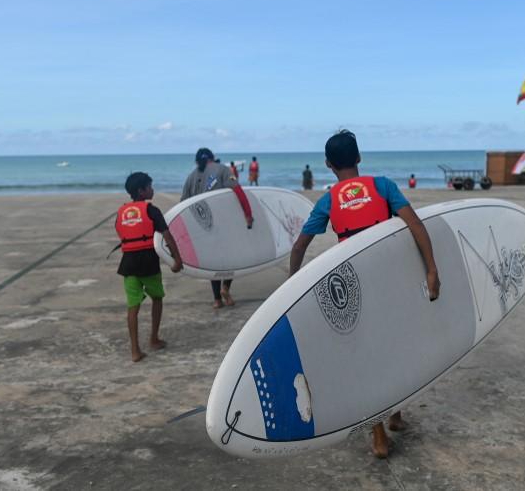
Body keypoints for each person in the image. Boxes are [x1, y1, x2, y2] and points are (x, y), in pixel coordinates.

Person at [289, 129, 440, 459]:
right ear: (359, 157)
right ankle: (396, 414)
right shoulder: (383, 186)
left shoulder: (329, 200)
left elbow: (300, 245)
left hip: (354, 287)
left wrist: (291, 287)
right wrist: (431, 270)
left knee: (368, 357)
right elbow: (416, 225)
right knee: (396, 348)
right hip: (388, 280)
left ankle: (379, 437)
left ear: (329, 165)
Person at [115, 172, 183, 363]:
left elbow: (120, 231)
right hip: (148, 263)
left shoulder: (122, 211)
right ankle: (153, 339)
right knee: (157, 298)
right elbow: (168, 237)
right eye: (150, 186)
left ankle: (135, 350)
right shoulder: (151, 210)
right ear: (141, 190)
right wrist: (177, 260)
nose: (152, 189)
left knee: (132, 307)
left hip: (128, 263)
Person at [182, 148, 254, 309]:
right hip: (225, 224)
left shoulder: (190, 177)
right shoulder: (222, 169)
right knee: (231, 257)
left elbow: (183, 206)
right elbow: (238, 192)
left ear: (196, 161)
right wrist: (248, 215)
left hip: (202, 227)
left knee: (213, 261)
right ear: (213, 158)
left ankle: (216, 300)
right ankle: (226, 288)